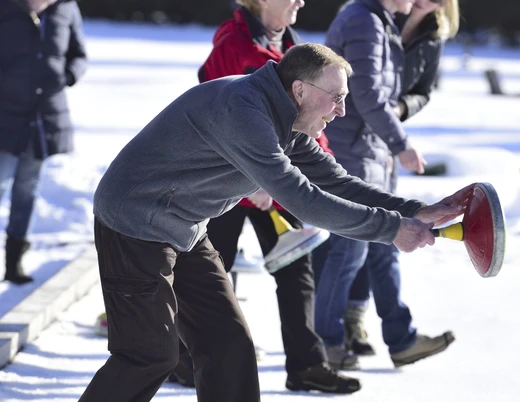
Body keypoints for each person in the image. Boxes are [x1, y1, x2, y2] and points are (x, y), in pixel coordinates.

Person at [78, 42, 474, 402]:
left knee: (228, 344)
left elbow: (335, 181)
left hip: (183, 226)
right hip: (134, 222)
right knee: (149, 354)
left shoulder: (284, 118)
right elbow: (303, 198)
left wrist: (414, 210)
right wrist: (391, 230)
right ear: (300, 90)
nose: (342, 110)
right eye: (336, 98)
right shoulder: (245, 112)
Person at [180, 0, 361, 394]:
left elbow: (306, 126)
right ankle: (185, 358)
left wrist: (318, 167)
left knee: (297, 276)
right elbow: (225, 117)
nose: (300, 1)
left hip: (279, 184)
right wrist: (255, 180)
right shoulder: (233, 43)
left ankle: (307, 366)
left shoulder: (296, 50)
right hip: (229, 187)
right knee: (210, 275)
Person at [313, 0, 454, 371]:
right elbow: (369, 94)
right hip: (350, 150)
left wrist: (394, 137)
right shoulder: (364, 20)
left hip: (372, 151)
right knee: (349, 251)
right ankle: (324, 343)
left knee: (384, 248)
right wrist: (401, 144)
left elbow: (399, 94)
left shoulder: (383, 21)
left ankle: (400, 338)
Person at [0, 0, 87, 284]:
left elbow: (79, 55)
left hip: (44, 116)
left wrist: (68, 75)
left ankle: (14, 263)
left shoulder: (66, 8)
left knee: (28, 189)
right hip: (6, 113)